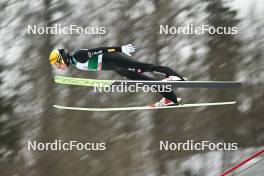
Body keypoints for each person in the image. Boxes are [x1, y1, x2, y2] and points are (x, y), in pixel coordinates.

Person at [49, 44, 186, 107]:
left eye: (57, 64)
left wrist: (120, 49)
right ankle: (171, 99)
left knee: (142, 68)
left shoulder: (78, 56)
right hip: (115, 67)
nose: (58, 68)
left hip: (114, 59)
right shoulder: (75, 62)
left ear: (61, 59)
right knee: (143, 80)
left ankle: (175, 76)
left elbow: (99, 50)